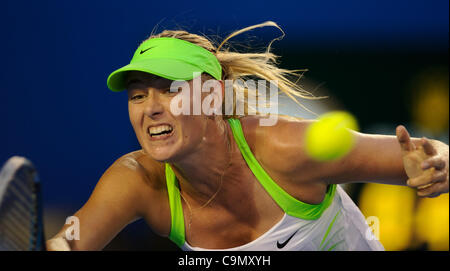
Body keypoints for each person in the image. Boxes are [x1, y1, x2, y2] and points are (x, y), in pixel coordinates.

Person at [46, 21, 449, 251]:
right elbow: (69, 243)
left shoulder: (288, 149)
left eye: (171, 89)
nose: (150, 106)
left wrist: (438, 164)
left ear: (213, 95)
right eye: (137, 95)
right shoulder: (137, 180)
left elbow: (429, 156)